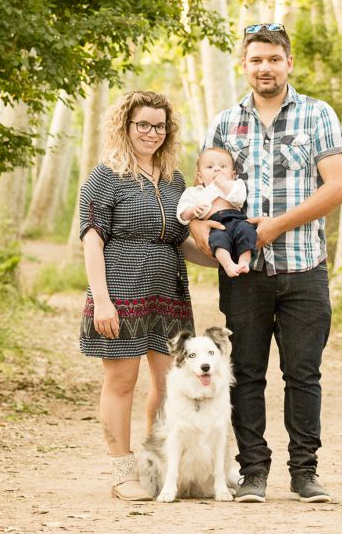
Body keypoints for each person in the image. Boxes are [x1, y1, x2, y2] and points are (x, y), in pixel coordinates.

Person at [190, 23, 342, 503]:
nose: (265, 67)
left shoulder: (317, 115)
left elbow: (338, 187)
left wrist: (276, 226)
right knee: (248, 373)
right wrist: (208, 238)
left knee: (304, 374)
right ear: (244, 65)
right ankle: (253, 473)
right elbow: (198, 198)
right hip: (245, 276)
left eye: (273, 59)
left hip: (304, 268)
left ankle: (305, 472)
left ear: (288, 63)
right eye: (255, 59)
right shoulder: (223, 124)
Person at [79, 90, 214, 501]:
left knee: (168, 381)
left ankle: (156, 466)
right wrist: (102, 300)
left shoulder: (174, 180)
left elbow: (178, 242)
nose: (152, 133)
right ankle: (122, 472)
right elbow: (92, 241)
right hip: (120, 289)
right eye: (144, 125)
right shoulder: (105, 177)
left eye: (160, 125)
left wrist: (223, 262)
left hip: (169, 292)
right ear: (126, 126)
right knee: (122, 380)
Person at [176, 147, 257, 277]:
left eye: (223, 166)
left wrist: (224, 184)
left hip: (236, 220)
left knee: (247, 230)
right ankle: (228, 264)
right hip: (215, 225)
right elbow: (181, 214)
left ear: (233, 175)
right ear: (200, 176)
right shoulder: (195, 192)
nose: (217, 169)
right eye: (210, 167)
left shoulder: (236, 185)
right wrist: (191, 211)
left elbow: (239, 198)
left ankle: (244, 261)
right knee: (218, 240)